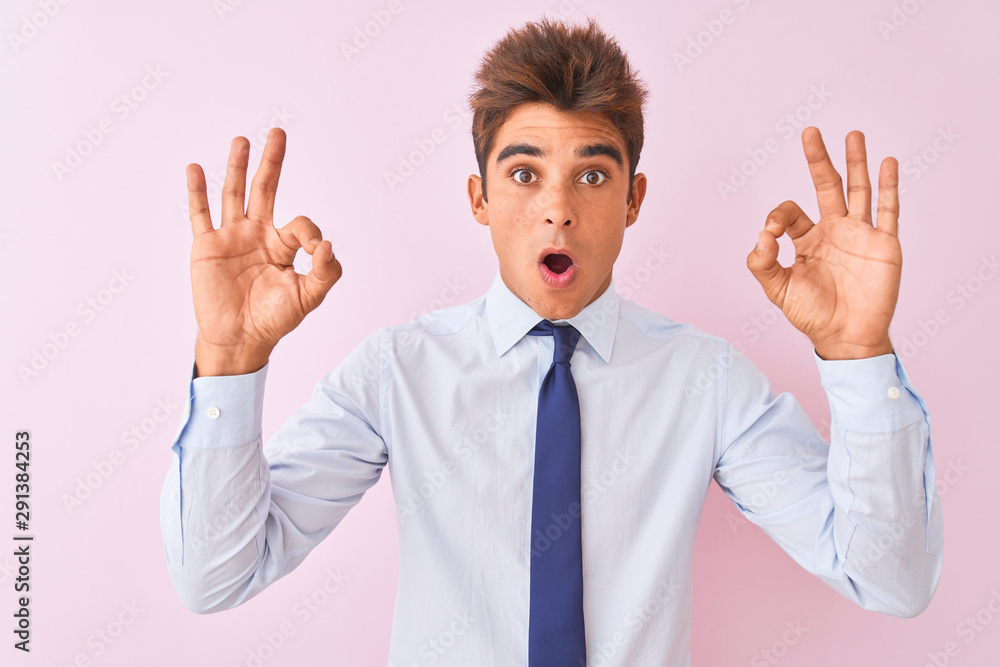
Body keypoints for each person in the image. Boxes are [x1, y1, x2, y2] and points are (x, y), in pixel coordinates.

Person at [160, 16, 943, 666]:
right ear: (480, 198)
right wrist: (229, 360)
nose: (558, 209)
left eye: (593, 176)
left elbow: (891, 579)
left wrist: (857, 352)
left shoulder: (706, 379)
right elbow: (216, 577)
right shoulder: (398, 371)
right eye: (525, 174)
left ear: (635, 199)